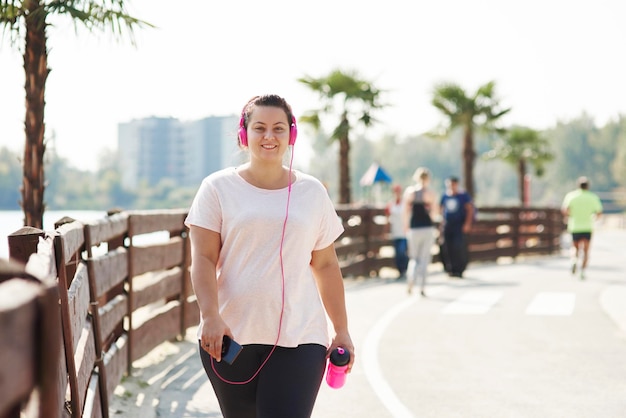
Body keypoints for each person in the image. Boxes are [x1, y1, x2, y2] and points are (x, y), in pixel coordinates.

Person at [184, 94, 354, 418]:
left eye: (278, 128)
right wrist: (210, 316)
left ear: (291, 136)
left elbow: (327, 265)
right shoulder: (216, 188)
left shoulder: (312, 192)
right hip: (230, 338)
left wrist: (341, 329)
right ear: (243, 134)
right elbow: (203, 259)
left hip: (302, 339)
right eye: (259, 128)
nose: (269, 137)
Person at [561, 176, 603, 280]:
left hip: (575, 226)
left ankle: (574, 260)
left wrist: (570, 216)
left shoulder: (571, 196)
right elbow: (599, 213)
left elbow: (565, 210)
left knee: (574, 247)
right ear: (588, 186)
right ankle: (583, 272)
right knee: (586, 251)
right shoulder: (593, 197)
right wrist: (593, 218)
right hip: (587, 227)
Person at [403, 168, 437, 296]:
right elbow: (434, 213)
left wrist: (405, 226)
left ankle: (411, 279)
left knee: (414, 258)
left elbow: (405, 212)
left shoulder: (410, 192)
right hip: (427, 227)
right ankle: (422, 287)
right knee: (424, 258)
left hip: (414, 228)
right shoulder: (430, 193)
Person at [439, 176, 473, 278]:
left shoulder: (463, 196)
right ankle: (450, 269)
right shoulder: (445, 196)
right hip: (448, 225)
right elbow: (441, 210)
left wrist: (467, 223)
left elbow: (470, 209)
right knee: (447, 247)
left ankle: (460, 269)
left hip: (459, 225)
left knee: (459, 246)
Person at [385, 184, 409, 280]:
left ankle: (404, 269)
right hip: (395, 232)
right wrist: (385, 231)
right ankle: (400, 270)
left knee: (402, 251)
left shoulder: (405, 204)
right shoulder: (390, 204)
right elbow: (387, 219)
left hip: (404, 232)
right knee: (397, 253)